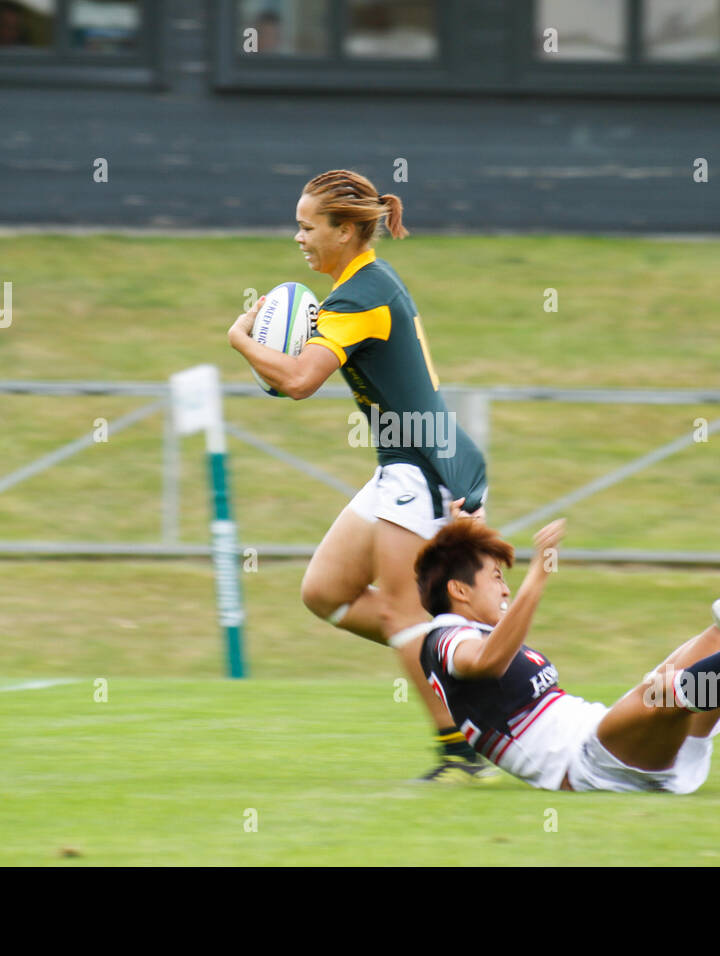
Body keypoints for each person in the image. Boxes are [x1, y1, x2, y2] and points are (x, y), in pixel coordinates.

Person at [227, 169, 495, 783]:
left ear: (345, 231)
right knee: (324, 592)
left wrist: (240, 340)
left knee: (405, 615)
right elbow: (299, 367)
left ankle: (460, 745)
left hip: (424, 469)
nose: (298, 238)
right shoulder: (357, 286)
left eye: (306, 226)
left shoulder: (358, 297)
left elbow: (297, 381)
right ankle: (469, 653)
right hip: (402, 466)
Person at [415, 506, 720, 793]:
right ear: (458, 592)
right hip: (588, 768)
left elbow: (483, 618)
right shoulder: (444, 639)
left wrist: (460, 526)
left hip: (612, 736)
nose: (505, 589)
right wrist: (538, 576)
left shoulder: (472, 626)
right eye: (497, 579)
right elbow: (487, 660)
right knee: (663, 690)